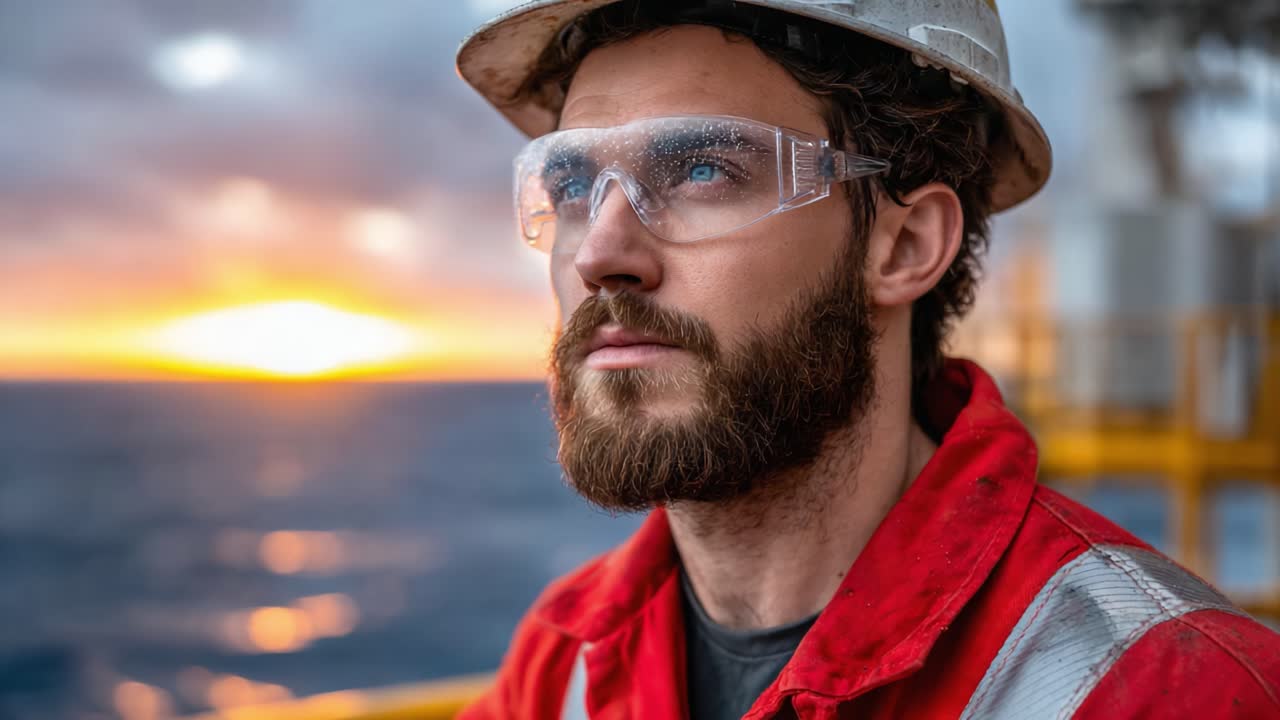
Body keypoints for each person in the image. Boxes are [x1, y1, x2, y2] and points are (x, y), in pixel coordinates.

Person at [454, 1, 1280, 717]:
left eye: (703, 169)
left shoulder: (1175, 690)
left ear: (904, 245)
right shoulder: (564, 658)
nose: (601, 252)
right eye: (569, 186)